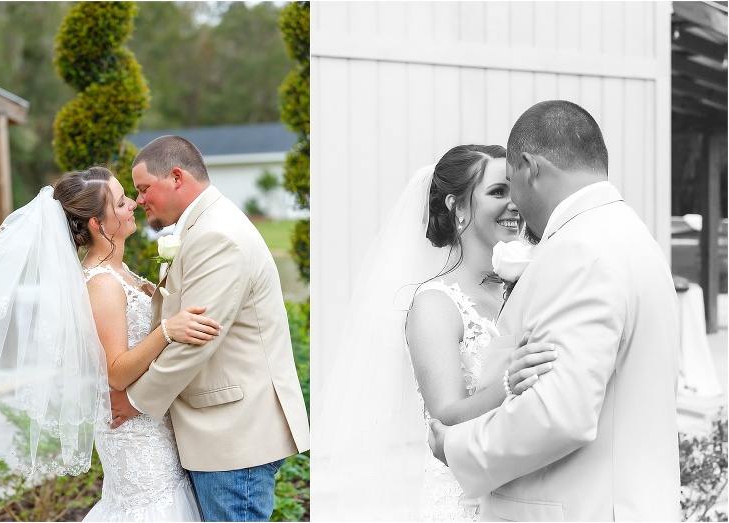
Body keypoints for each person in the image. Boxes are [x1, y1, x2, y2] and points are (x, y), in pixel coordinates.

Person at [429, 100, 681, 521]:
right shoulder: (636, 239)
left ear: (530, 167)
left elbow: (560, 414)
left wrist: (456, 448)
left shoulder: (580, 249)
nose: (515, 205)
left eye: (511, 183)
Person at [0, 166, 223, 521]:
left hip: (152, 426)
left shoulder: (119, 272)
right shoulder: (100, 283)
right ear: (98, 225)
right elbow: (115, 373)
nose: (132, 203)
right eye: (120, 202)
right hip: (136, 440)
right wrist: (167, 330)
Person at [312, 144, 557, 521]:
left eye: (515, 190)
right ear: (457, 207)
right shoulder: (436, 303)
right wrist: (511, 382)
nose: (514, 204)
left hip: (533, 491)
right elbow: (446, 415)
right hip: (468, 501)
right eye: (497, 192)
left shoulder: (531, 286)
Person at [108, 135, 310, 522]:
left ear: (177, 177)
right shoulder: (204, 226)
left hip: (234, 436)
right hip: (218, 434)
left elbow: (198, 340)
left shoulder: (217, 234)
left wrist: (134, 402)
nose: (138, 200)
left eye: (144, 188)